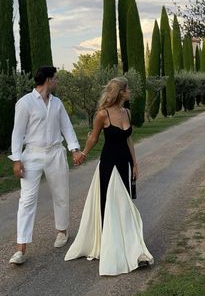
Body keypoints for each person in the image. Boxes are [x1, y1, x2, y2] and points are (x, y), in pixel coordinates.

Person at [65, 77, 154, 276]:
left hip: (125, 164)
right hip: (109, 165)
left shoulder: (127, 112)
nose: (130, 91)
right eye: (128, 88)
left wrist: (135, 163)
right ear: (120, 92)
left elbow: (129, 139)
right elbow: (94, 137)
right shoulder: (102, 115)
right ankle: (114, 248)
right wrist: (83, 154)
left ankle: (132, 249)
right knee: (115, 206)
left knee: (125, 206)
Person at [9, 66, 82, 265]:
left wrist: (74, 149)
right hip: (32, 155)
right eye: (55, 78)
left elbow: (66, 126)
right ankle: (20, 248)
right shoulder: (25, 103)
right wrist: (16, 159)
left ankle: (62, 231)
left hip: (56, 152)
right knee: (27, 199)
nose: (57, 81)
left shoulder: (57, 103)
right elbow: (17, 132)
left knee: (61, 193)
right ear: (48, 80)